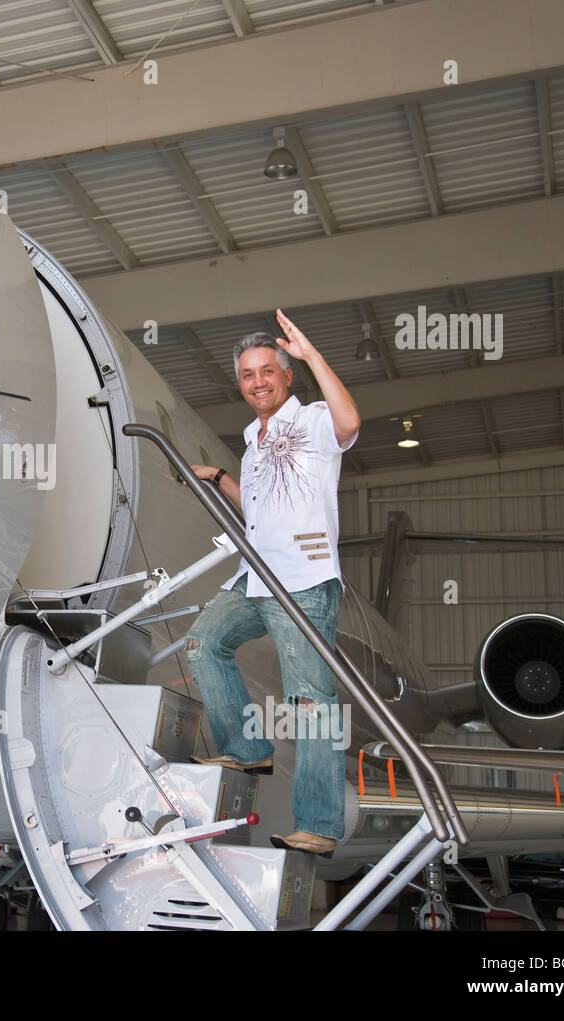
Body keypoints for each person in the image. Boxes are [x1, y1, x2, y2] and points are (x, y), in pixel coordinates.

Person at [181, 309, 361, 858]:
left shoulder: (311, 420)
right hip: (258, 576)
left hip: (304, 580)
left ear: (286, 375)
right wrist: (222, 478)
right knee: (203, 643)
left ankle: (320, 824)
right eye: (247, 375)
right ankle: (248, 745)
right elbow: (259, 507)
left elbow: (349, 425)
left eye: (267, 370)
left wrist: (314, 355)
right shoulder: (253, 439)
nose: (257, 381)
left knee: (311, 704)